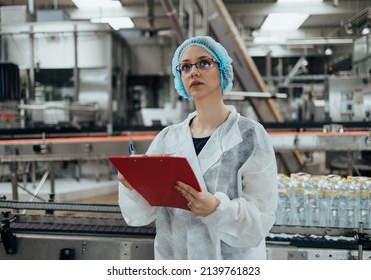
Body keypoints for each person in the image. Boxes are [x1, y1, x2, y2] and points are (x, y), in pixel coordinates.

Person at [118, 35, 278, 260]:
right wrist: (134, 186)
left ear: (222, 69)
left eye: (204, 63)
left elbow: (262, 217)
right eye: (185, 67)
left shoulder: (250, 136)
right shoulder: (167, 139)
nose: (193, 72)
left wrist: (216, 209)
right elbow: (141, 214)